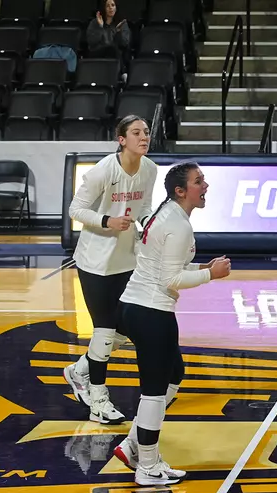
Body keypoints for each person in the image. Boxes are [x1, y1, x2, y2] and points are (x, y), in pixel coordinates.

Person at [112, 161, 231, 485]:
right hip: (150, 310)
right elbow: (171, 278)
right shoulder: (178, 224)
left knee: (174, 373)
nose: (205, 186)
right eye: (198, 181)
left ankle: (133, 445)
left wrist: (200, 265)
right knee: (153, 391)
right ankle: (147, 466)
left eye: (204, 179)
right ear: (181, 191)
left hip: (141, 306)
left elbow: (168, 261)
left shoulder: (168, 213)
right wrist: (210, 274)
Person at [65, 115, 157, 425]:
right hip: (95, 262)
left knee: (126, 328)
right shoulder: (103, 171)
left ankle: (80, 369)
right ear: (121, 139)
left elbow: (144, 207)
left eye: (145, 131)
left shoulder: (150, 169)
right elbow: (75, 210)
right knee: (104, 330)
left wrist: (147, 229)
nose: (143, 136)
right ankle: (98, 401)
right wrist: (107, 221)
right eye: (136, 132)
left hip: (127, 260)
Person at [87, 0, 130, 73]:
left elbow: (125, 43)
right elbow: (92, 41)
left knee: (113, 49)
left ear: (116, 8)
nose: (110, 8)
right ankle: (123, 73)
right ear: (104, 8)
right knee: (111, 48)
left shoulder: (121, 23)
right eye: (108, 6)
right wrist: (100, 27)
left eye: (113, 5)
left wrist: (119, 32)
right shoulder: (95, 22)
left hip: (115, 54)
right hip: (98, 52)